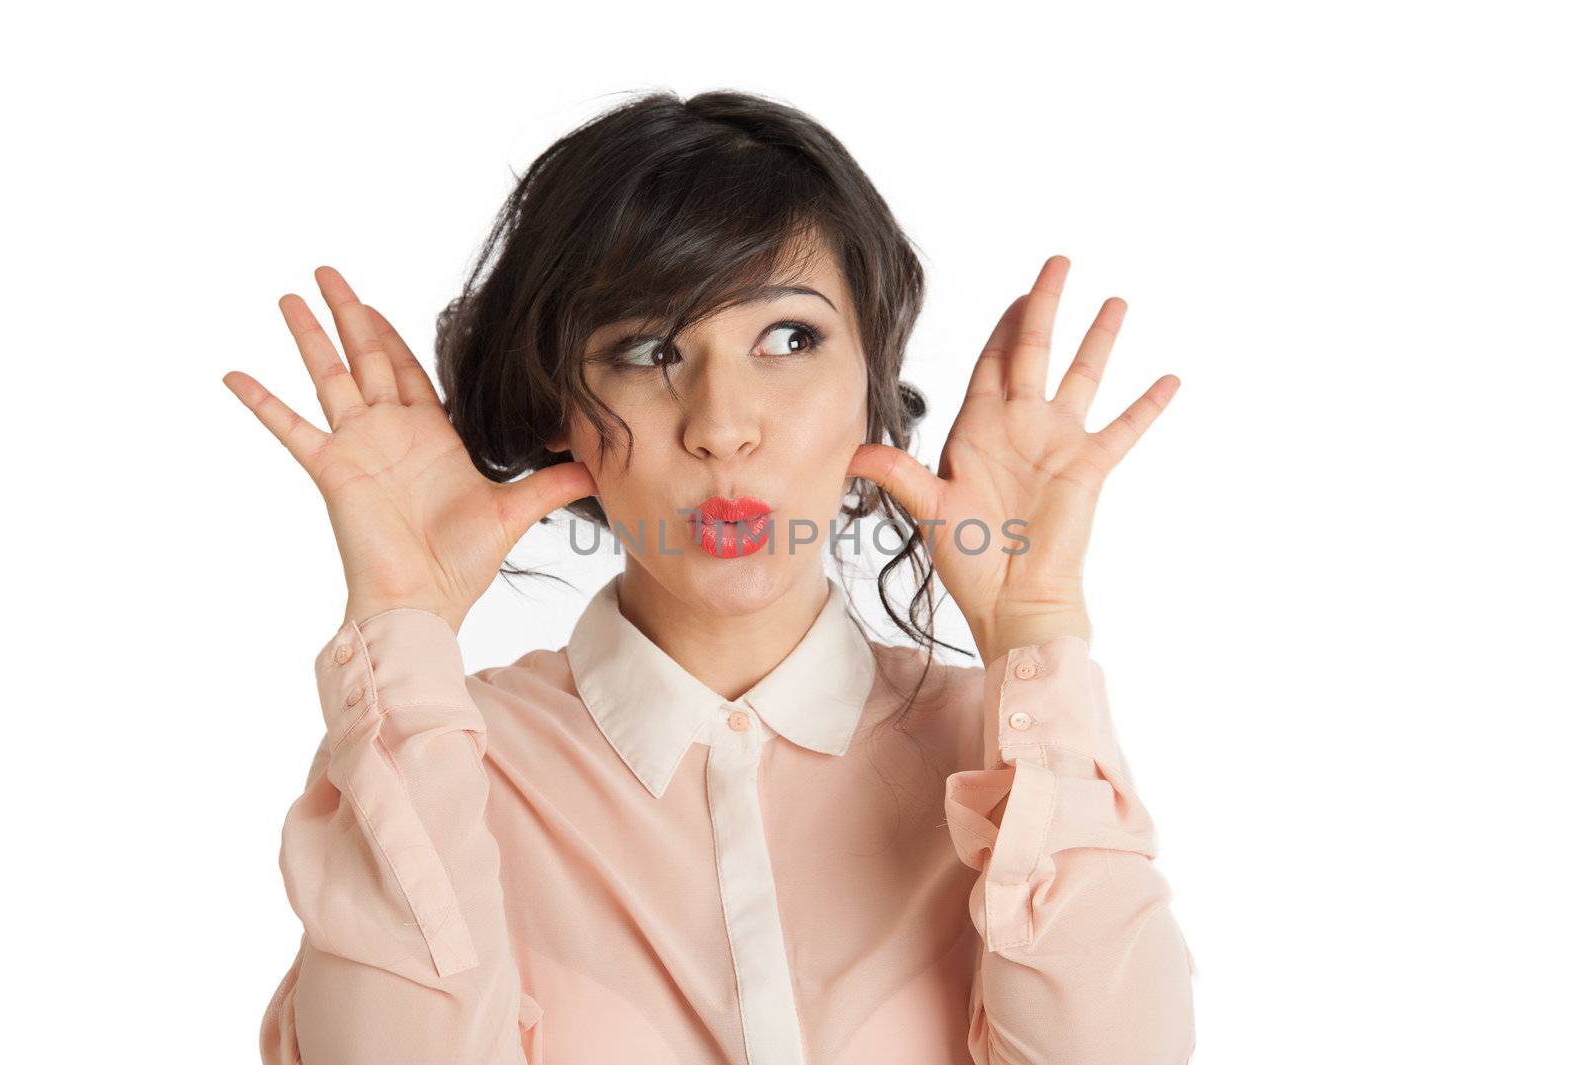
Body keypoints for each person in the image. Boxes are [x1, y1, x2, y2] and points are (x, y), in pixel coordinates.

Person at [223, 89, 1196, 1065]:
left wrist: (1035, 630)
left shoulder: (1010, 768)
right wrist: (402, 620)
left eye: (788, 339)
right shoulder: (447, 764)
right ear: (560, 404)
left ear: (870, 381)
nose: (721, 425)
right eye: (648, 351)